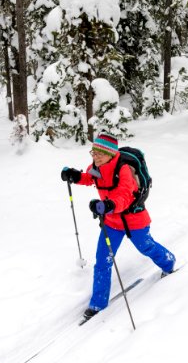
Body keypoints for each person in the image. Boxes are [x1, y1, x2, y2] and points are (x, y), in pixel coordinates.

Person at [61, 132, 176, 321]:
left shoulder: (124, 170)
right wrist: (74, 176)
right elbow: (89, 178)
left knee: (146, 246)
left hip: (133, 220)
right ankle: (98, 302)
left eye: (100, 153)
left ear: (111, 154)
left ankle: (168, 262)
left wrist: (108, 206)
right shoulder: (96, 167)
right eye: (93, 152)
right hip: (112, 223)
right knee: (103, 260)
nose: (95, 156)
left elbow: (124, 196)